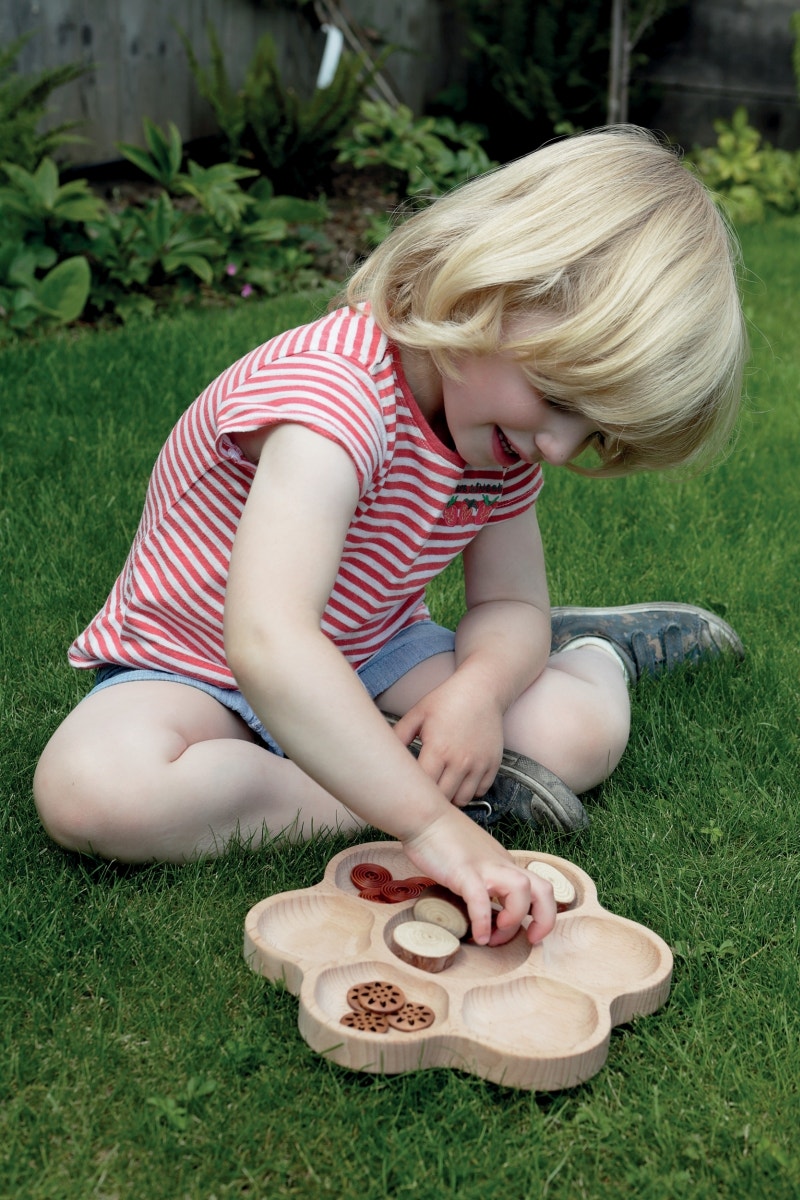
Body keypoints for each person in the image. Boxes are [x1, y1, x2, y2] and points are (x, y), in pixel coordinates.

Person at [33, 125, 747, 949]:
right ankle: (379, 790)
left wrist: (479, 690)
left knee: (576, 733)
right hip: (194, 665)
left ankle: (592, 653)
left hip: (372, 651)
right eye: (558, 397)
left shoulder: (497, 433)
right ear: (493, 289)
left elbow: (511, 599)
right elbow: (268, 640)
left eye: (593, 434)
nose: (558, 447)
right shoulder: (332, 397)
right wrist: (432, 825)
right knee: (94, 791)